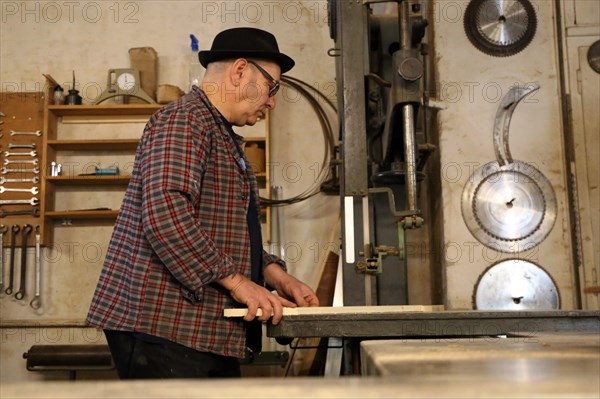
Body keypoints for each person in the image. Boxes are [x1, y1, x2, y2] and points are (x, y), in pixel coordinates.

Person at [86, 27, 320, 379]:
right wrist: (241, 284)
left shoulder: (220, 134)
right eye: (272, 87)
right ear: (240, 70)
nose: (272, 101)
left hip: (196, 331)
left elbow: (228, 231)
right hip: (164, 329)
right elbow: (165, 215)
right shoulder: (184, 120)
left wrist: (276, 276)